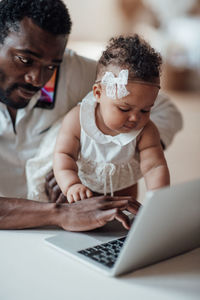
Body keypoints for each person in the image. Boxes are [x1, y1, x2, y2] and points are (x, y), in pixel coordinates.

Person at [0, 0, 182, 231]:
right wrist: (61, 211)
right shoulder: (79, 115)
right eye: (25, 60)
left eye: (51, 66)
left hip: (84, 219)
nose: (38, 79)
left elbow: (166, 110)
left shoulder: (82, 72)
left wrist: (125, 152)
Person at [53, 35, 170, 203]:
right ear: (98, 94)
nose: (135, 117)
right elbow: (64, 154)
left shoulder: (147, 130)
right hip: (84, 185)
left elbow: (154, 166)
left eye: (145, 110)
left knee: (124, 216)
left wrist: (158, 197)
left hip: (123, 187)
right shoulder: (77, 120)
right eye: (124, 108)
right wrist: (71, 185)